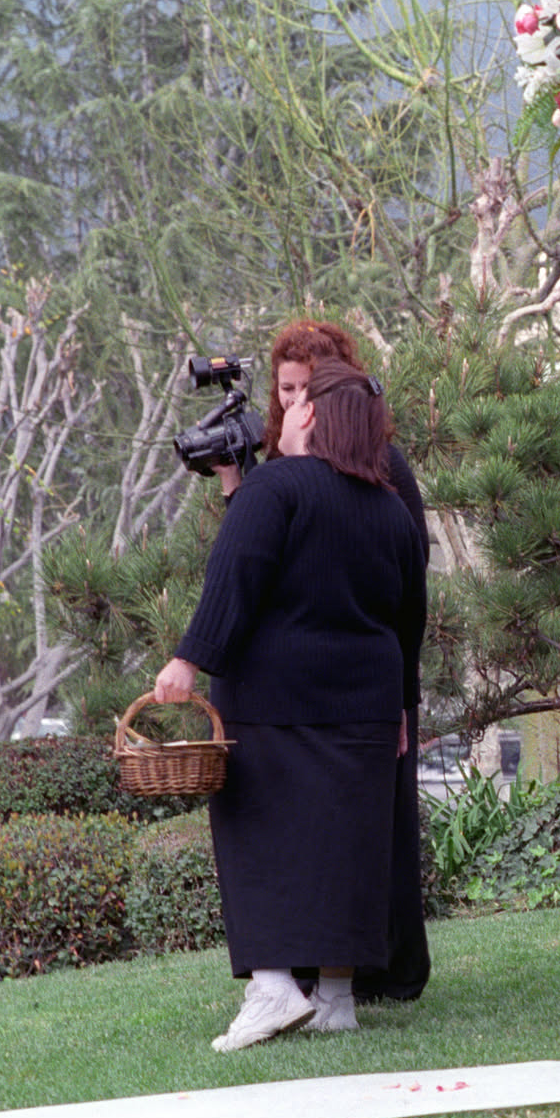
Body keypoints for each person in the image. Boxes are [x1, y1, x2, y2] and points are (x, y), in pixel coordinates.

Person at [155, 357, 428, 1051]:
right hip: (366, 704)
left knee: (261, 841)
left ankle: (273, 985)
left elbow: (233, 581)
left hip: (271, 701)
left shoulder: (273, 488)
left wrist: (187, 660)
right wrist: (400, 707)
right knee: (349, 846)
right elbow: (409, 618)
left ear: (312, 415)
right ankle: (335, 995)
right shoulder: (389, 509)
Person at [223, 320, 434, 1005]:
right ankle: (310, 975)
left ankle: (370, 968)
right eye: (283, 390)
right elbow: (251, 567)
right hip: (291, 685)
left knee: (363, 831)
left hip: (362, 690)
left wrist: (400, 699)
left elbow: (404, 584)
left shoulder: (383, 469)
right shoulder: (276, 470)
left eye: (306, 390)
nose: (293, 403)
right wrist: (238, 482)